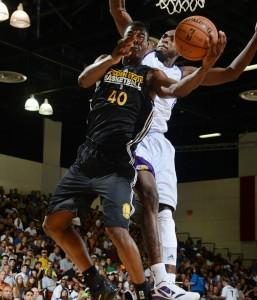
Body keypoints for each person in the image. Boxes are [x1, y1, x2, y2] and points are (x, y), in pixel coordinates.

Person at [43, 20, 223, 300]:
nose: (136, 41)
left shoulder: (150, 74)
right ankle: (95, 280)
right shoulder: (107, 62)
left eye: (142, 38)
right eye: (131, 36)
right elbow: (83, 80)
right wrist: (114, 55)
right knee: (52, 225)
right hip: (86, 158)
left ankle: (144, 290)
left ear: (148, 47)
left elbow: (178, 90)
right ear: (122, 41)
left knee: (117, 228)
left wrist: (207, 66)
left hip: (118, 163)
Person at [109, 1, 257, 299]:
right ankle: (156, 276)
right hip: (135, 135)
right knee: (148, 196)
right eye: (163, 35)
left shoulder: (185, 70)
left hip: (162, 143)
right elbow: (120, 14)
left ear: (186, 47)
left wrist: (256, 37)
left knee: (165, 213)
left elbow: (230, 72)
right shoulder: (143, 53)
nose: (165, 39)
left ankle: (169, 285)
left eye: (172, 37)